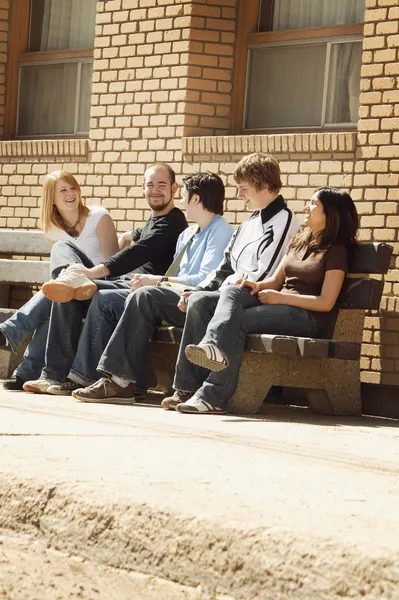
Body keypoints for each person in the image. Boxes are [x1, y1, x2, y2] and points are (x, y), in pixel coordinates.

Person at [72, 153, 299, 404]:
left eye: (244, 189)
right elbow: (225, 267)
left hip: (244, 299)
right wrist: (197, 289)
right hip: (221, 293)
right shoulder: (249, 222)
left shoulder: (284, 220)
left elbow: (263, 275)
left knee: (198, 302)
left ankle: (187, 388)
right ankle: (120, 380)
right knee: (145, 296)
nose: (239, 195)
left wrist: (202, 292)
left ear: (265, 186)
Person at [166, 186, 359, 414]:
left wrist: (280, 297)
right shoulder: (299, 240)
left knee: (240, 321)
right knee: (231, 291)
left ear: (332, 213)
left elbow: (326, 302)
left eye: (314, 204)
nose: (307, 207)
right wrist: (257, 285)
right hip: (279, 306)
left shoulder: (336, 251)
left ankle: (213, 395)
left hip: (306, 316)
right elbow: (276, 280)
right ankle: (210, 348)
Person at [66, 172, 234, 403]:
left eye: (184, 194)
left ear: (196, 198)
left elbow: (205, 280)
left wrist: (158, 281)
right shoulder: (187, 234)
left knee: (144, 295)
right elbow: (177, 276)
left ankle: (120, 380)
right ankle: (118, 380)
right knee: (118, 294)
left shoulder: (221, 231)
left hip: (198, 303)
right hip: (177, 298)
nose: (181, 199)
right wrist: (153, 282)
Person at [23, 163, 188, 394]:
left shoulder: (174, 221)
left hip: (139, 293)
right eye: (150, 185)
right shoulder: (155, 221)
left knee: (97, 294)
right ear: (143, 188)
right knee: (66, 288)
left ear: (175, 188)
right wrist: (128, 235)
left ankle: (82, 376)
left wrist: (93, 272)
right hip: (124, 284)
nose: (155, 190)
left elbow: (139, 252)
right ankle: (53, 376)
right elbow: (140, 237)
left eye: (162, 185)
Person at [0, 170, 119, 390]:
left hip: (100, 286)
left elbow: (114, 267)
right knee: (59, 296)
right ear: (51, 199)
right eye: (62, 190)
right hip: (72, 293)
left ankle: (12, 334)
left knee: (63, 256)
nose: (70, 193)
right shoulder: (53, 229)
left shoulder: (98, 216)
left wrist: (83, 275)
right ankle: (27, 372)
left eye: (72, 187)